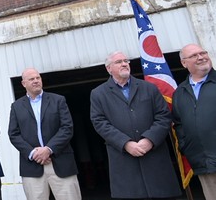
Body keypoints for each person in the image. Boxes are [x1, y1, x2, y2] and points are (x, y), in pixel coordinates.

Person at [90, 51, 181, 199]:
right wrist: (125, 143)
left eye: (126, 61)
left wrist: (149, 139)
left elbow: (163, 115)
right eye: (119, 62)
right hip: (124, 160)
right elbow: (99, 122)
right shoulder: (98, 93)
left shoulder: (149, 88)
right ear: (108, 68)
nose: (124, 64)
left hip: (154, 157)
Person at [8, 68, 81, 200]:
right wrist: (33, 153)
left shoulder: (58, 100)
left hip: (60, 163)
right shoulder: (16, 106)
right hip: (32, 166)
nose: (36, 81)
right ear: (23, 83)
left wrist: (48, 149)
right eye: (31, 79)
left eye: (38, 78)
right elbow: (13, 134)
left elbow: (67, 128)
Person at [172, 43, 216, 199]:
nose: (201, 57)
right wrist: (187, 147)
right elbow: (179, 125)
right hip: (204, 165)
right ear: (184, 63)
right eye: (194, 55)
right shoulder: (180, 93)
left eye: (203, 53)